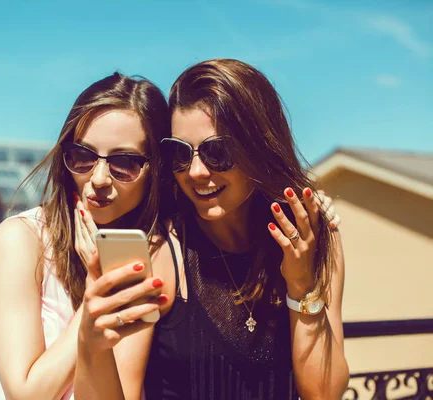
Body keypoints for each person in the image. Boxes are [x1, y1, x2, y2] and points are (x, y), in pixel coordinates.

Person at [75, 59, 349, 399]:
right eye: (179, 153)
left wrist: (300, 286)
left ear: (260, 146)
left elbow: (325, 394)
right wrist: (90, 343)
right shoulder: (161, 251)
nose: (195, 172)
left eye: (216, 151)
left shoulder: (314, 240)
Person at [0, 72, 174, 400]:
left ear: (155, 169)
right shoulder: (21, 240)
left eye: (124, 163)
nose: (99, 177)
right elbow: (27, 393)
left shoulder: (146, 254)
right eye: (83, 157)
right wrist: (95, 302)